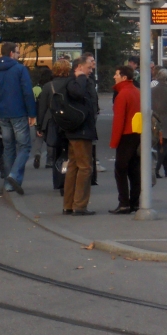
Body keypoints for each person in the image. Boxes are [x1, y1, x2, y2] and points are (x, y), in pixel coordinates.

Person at [0, 42, 37, 195]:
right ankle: (13, 175)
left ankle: (8, 184)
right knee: (25, 146)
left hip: (2, 114)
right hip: (19, 113)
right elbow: (28, 92)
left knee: (8, 147)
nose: (19, 54)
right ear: (11, 53)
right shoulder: (20, 69)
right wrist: (32, 113)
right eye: (17, 52)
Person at [62, 53, 98, 215]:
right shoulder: (76, 81)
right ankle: (79, 205)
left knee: (74, 166)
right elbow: (77, 93)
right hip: (81, 130)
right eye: (88, 67)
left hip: (76, 129)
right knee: (84, 168)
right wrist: (82, 77)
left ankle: (69, 204)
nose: (91, 70)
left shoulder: (74, 81)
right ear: (79, 67)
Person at [37, 59, 72, 195]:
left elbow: (42, 108)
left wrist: (40, 126)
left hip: (53, 123)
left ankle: (59, 181)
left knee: (56, 153)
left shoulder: (48, 86)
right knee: (69, 153)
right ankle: (69, 180)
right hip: (69, 122)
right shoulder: (72, 84)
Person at [109, 65, 141, 215]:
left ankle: (124, 203)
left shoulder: (122, 94)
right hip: (137, 134)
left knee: (120, 169)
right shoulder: (137, 92)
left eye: (116, 74)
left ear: (123, 77)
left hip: (126, 135)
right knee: (134, 170)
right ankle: (135, 202)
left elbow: (118, 121)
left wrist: (114, 142)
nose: (114, 77)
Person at [30, 65, 53, 169]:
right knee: (50, 139)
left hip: (37, 117)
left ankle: (37, 154)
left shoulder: (35, 88)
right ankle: (49, 160)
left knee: (39, 138)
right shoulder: (50, 88)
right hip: (48, 118)